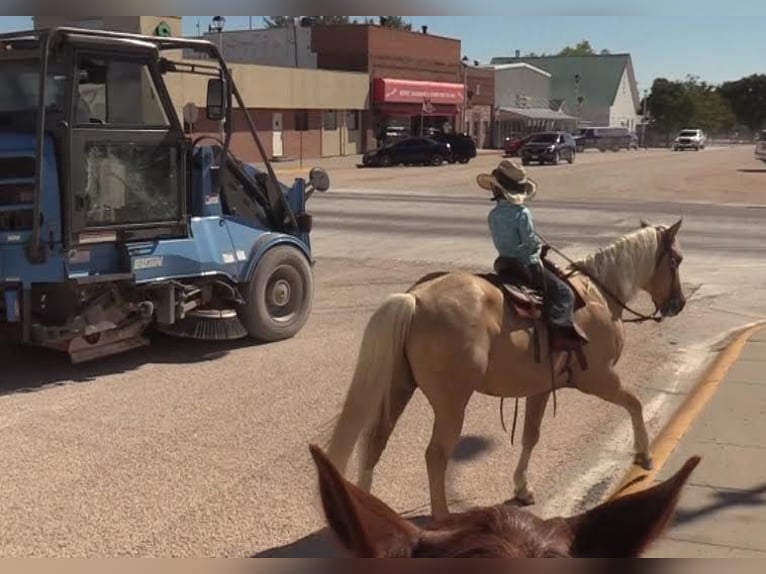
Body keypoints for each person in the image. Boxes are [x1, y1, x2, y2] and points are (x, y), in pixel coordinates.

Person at [476, 159, 589, 352]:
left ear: (496, 190)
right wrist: (539, 246)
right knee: (564, 293)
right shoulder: (522, 213)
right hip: (527, 265)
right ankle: (560, 333)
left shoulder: (493, 215)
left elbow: (504, 242)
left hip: (504, 263)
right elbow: (528, 241)